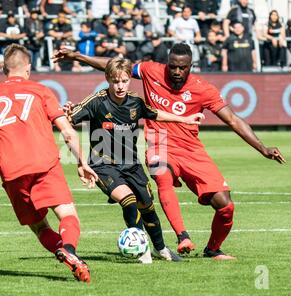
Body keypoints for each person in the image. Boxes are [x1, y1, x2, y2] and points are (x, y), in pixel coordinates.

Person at [53, 42, 286, 260]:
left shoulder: (203, 89)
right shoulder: (150, 70)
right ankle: (181, 236)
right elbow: (114, 67)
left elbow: (233, 120)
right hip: (159, 142)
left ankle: (212, 249)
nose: (175, 71)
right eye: (172, 66)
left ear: (190, 67)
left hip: (191, 150)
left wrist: (262, 147)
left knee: (225, 205)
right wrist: (79, 57)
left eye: (181, 68)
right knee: (161, 176)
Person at [0, 44, 97, 282]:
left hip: (12, 172)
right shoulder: (40, 90)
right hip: (44, 164)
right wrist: (82, 162)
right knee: (69, 215)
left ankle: (70, 257)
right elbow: (67, 132)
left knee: (40, 228)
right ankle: (69, 249)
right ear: (28, 68)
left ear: (3, 68)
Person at [64, 57, 205, 263]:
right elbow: (69, 118)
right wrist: (66, 112)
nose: (120, 86)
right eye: (115, 81)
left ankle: (161, 248)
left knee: (148, 207)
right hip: (103, 164)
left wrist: (185, 119)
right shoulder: (97, 101)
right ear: (107, 79)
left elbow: (156, 114)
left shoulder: (135, 102)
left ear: (130, 79)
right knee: (129, 201)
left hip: (132, 165)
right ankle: (142, 249)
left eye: (124, 81)